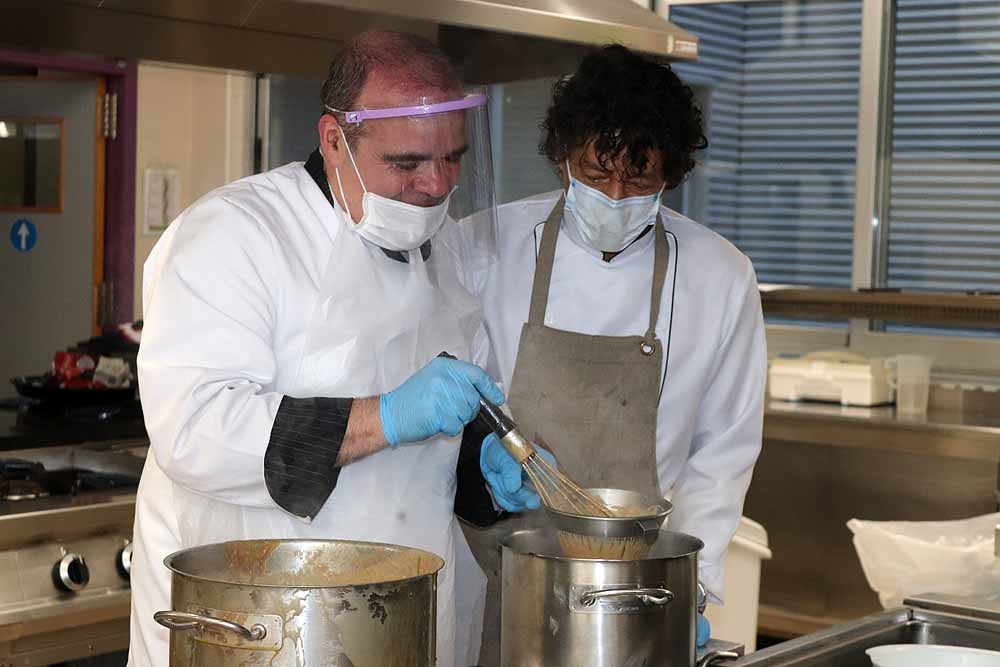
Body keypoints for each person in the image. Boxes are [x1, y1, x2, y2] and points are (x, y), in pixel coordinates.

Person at [128, 31, 520, 667]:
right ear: (336, 139)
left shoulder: (443, 253)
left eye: (453, 159)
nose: (436, 185)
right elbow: (194, 431)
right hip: (261, 625)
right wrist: (385, 417)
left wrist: (486, 473)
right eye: (407, 163)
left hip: (406, 618)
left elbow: (434, 445)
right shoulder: (233, 236)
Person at [460, 44, 767, 666]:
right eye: (596, 176)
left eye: (639, 181)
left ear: (671, 175)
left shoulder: (719, 275)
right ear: (562, 157)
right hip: (494, 577)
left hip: (636, 595)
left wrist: (692, 587)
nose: (616, 194)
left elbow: (723, 453)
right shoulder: (486, 249)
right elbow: (451, 398)